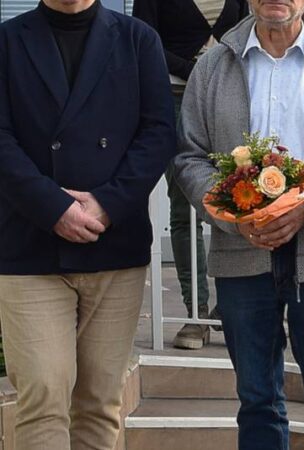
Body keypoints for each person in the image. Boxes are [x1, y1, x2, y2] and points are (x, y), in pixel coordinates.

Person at [173, 0, 304, 448]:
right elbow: (190, 157)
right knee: (257, 401)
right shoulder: (212, 68)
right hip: (241, 252)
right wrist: (234, 217)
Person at [0, 0, 176, 448]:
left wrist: (107, 204)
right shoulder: (7, 41)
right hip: (29, 245)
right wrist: (53, 207)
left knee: (99, 403)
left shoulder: (138, 40)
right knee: (42, 395)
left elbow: (158, 133)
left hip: (114, 246)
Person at [133, 0, 250, 349]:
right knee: (185, 207)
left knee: (238, 198)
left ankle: (230, 307)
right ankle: (195, 314)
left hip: (227, 98)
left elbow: (247, 34)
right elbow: (146, 41)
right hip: (174, 98)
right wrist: (195, 70)